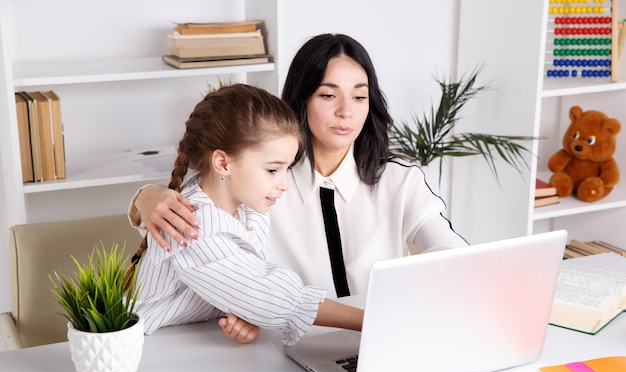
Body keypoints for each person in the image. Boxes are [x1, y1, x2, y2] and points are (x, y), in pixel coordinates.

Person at [129, 33, 467, 297]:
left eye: (359, 96)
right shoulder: (264, 181)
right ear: (301, 100)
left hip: (376, 338)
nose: (346, 111)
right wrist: (144, 198)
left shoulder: (397, 178)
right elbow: (197, 217)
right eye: (328, 95)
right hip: (287, 345)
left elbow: (451, 252)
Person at [128, 83, 363, 346]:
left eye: (286, 168)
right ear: (223, 163)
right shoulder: (192, 224)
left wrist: (244, 307)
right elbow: (276, 296)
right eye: (273, 170)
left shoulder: (247, 205)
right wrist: (371, 321)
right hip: (149, 349)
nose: (284, 183)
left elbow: (248, 281)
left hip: (199, 344)